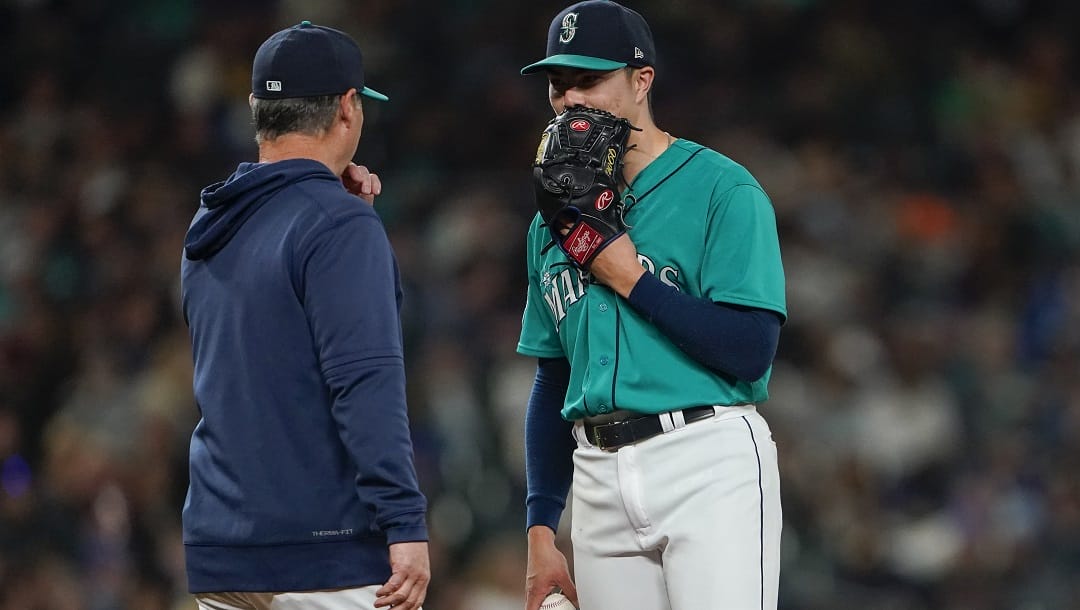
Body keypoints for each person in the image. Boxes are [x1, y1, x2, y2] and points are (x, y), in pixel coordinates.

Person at [516, 2, 787, 609]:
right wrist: (540, 529)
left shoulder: (722, 189)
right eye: (559, 86)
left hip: (705, 458)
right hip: (596, 475)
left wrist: (632, 280)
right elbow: (553, 376)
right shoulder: (550, 223)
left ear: (643, 80)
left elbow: (750, 351)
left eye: (589, 80)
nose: (569, 100)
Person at [180, 21, 429, 610]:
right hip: (322, 559)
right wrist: (405, 521)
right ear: (348, 108)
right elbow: (364, 382)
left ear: (255, 109)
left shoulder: (211, 223)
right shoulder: (337, 225)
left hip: (223, 550)